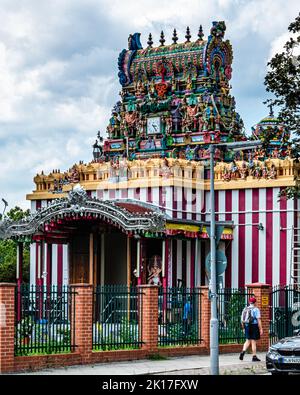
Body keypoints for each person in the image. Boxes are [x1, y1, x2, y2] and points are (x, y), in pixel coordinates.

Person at [239, 297, 263, 362]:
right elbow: (259, 320)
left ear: (249, 302)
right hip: (253, 326)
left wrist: (243, 328)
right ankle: (254, 356)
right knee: (253, 342)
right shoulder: (256, 309)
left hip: (246, 326)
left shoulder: (245, 309)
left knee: (247, 340)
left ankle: (243, 352)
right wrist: (261, 329)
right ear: (255, 302)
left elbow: (242, 320)